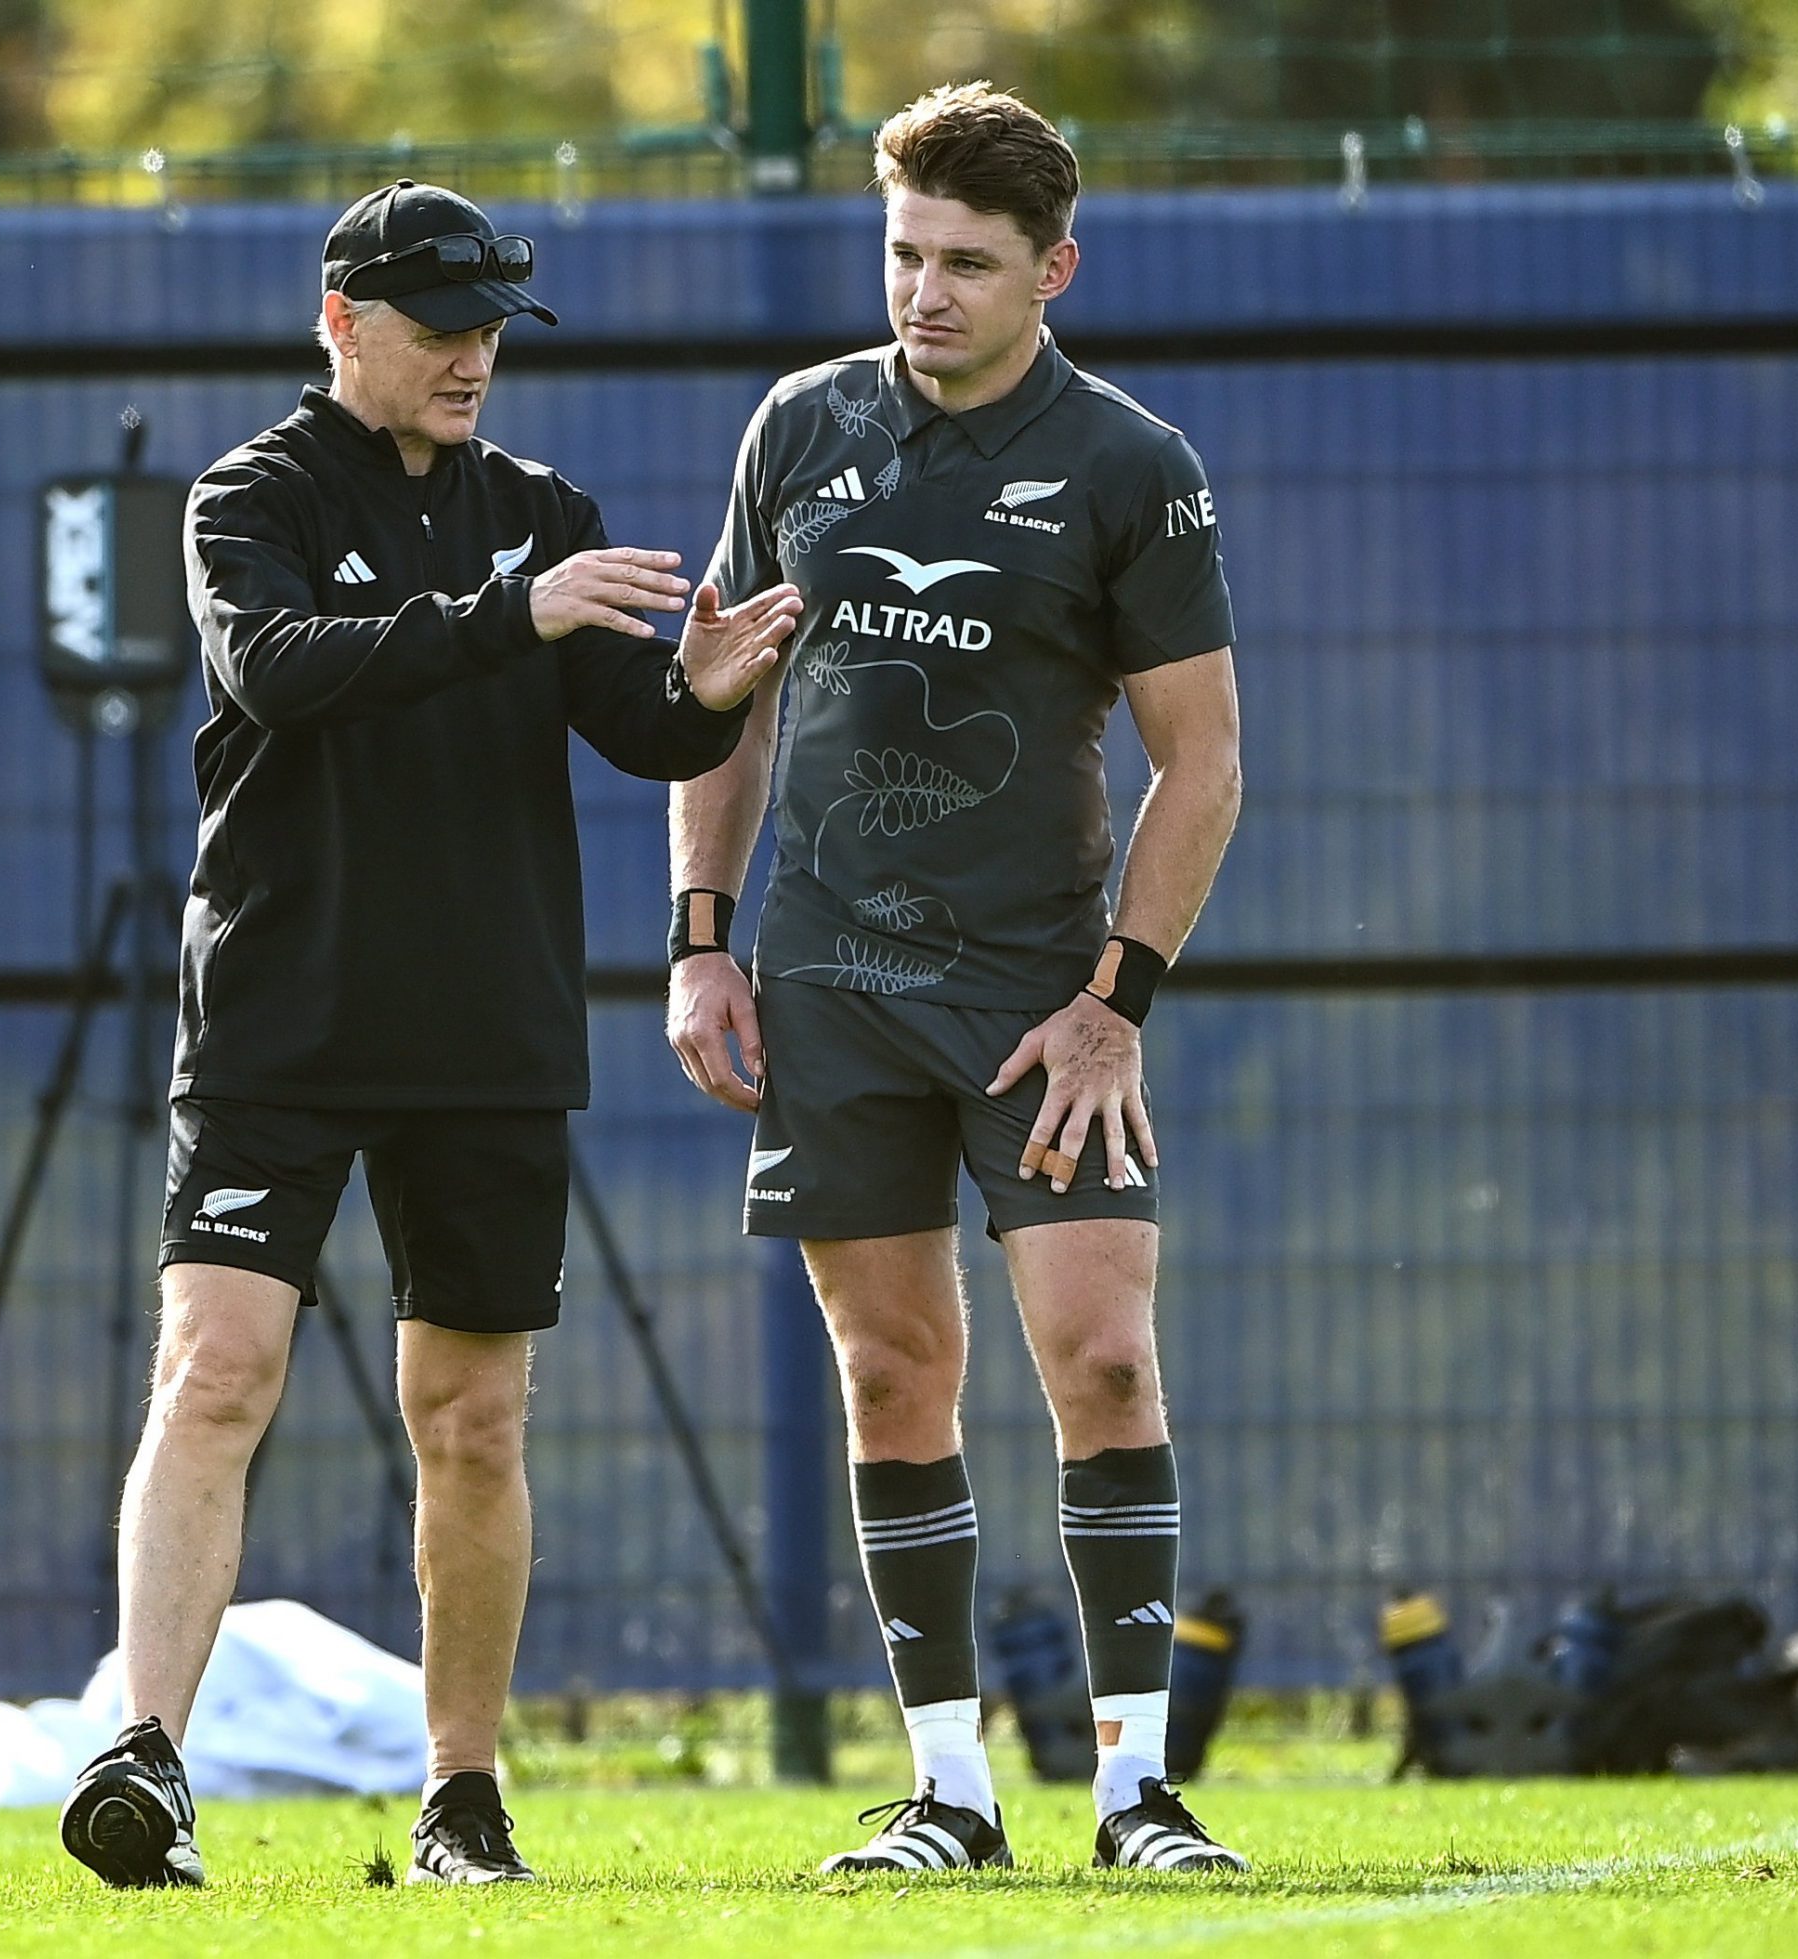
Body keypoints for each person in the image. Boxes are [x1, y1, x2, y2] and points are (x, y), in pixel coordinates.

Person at [59, 178, 803, 1890]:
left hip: (489, 1028)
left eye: (491, 332)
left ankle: (462, 1800)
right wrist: (511, 615)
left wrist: (711, 682)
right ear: (344, 324)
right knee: (216, 1369)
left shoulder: (543, 508)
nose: (474, 359)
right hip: (281, 1018)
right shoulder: (250, 494)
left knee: (470, 1415)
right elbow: (277, 670)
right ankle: (147, 1761)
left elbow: (646, 733)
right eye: (440, 329)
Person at [665, 84, 1248, 1874]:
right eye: (905, 254)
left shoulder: (1133, 466)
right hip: (828, 984)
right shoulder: (801, 425)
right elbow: (723, 694)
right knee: (893, 1373)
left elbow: (1202, 763)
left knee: (1105, 1363)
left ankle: (1139, 1794)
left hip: (1034, 1006)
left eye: (968, 264)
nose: (925, 291)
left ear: (1053, 270)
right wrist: (701, 941)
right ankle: (951, 1798)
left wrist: (1112, 1000)